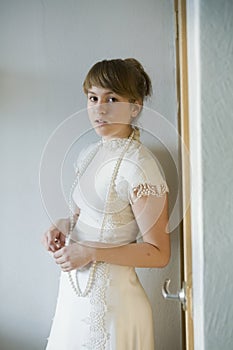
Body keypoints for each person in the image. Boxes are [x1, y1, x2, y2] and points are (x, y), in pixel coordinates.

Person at [42, 58, 170, 350]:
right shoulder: (88, 155)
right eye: (93, 98)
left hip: (115, 309)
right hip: (74, 301)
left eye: (112, 99)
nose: (99, 109)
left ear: (135, 106)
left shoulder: (141, 165)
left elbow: (159, 253)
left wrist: (90, 252)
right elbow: (83, 214)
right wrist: (63, 225)